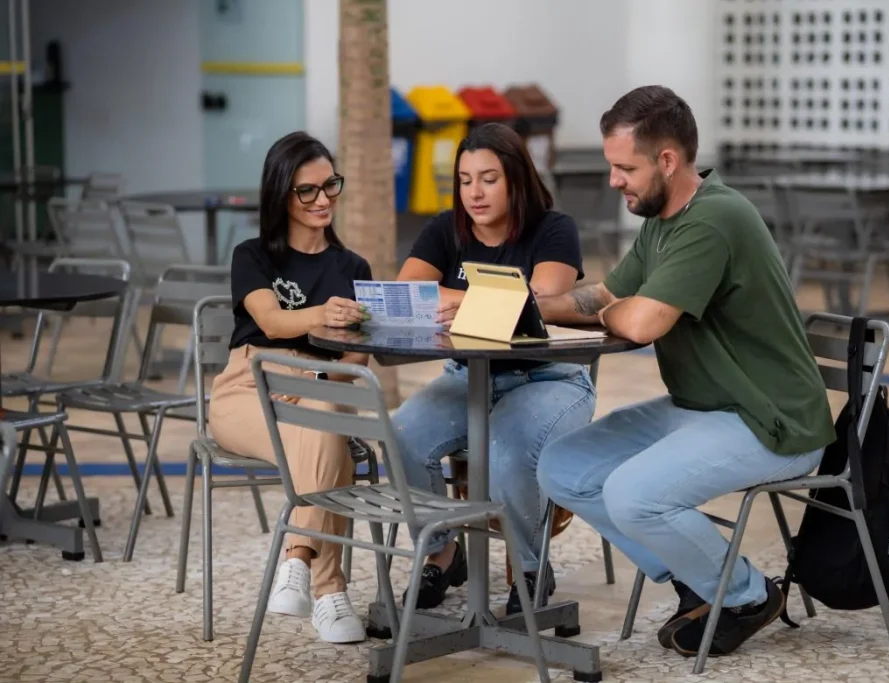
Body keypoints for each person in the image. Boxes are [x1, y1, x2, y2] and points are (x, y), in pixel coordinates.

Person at [535, 86, 837, 657]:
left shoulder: (712, 219)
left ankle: (747, 595)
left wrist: (617, 309)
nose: (613, 181)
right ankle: (698, 583)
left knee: (630, 494)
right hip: (704, 409)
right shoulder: (662, 221)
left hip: (770, 420)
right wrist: (523, 305)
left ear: (667, 161)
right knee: (563, 465)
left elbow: (642, 322)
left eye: (625, 167)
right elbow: (605, 296)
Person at [391, 122, 596, 614]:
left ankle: (528, 568)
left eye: (488, 178)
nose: (474, 193)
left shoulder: (553, 228)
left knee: (506, 451)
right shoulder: (445, 229)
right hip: (467, 379)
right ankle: (442, 552)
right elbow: (409, 293)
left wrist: (458, 298)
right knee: (400, 434)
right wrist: (480, 301)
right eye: (464, 180)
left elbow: (542, 297)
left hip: (548, 378)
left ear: (516, 180)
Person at [208, 131, 372, 644]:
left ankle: (298, 559)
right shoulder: (253, 255)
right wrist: (323, 314)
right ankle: (331, 592)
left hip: (319, 385)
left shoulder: (353, 269)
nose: (323, 200)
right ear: (281, 194)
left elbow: (355, 358)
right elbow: (273, 323)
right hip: (248, 386)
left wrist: (313, 381)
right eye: (308, 191)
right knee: (334, 445)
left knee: (326, 414)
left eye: (330, 186)